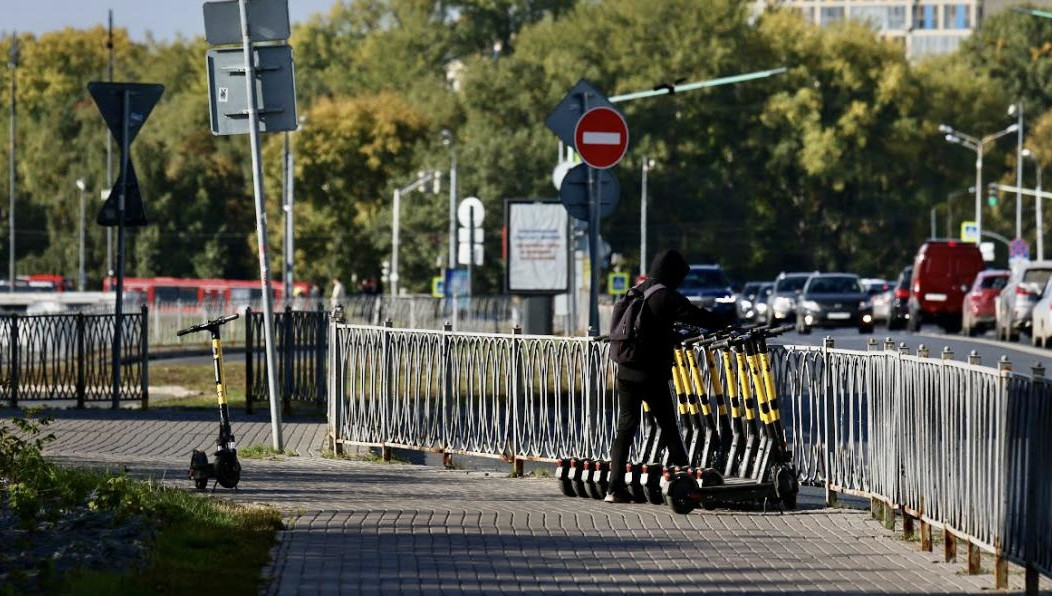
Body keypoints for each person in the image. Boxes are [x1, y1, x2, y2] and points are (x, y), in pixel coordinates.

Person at [605, 249, 723, 503]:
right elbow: (698, 316)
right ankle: (686, 479)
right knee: (669, 425)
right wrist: (727, 324)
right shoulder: (666, 297)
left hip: (625, 369)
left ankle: (614, 489)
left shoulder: (638, 290)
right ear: (672, 274)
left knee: (625, 427)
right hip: (650, 373)